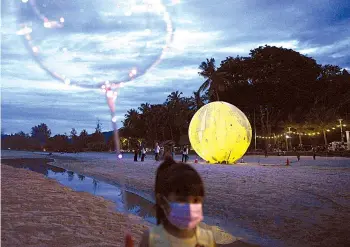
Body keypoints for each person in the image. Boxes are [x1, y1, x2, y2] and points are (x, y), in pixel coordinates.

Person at [139, 156, 216, 247]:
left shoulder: (207, 239)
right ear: (162, 201)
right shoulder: (151, 238)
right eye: (182, 200)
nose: (190, 207)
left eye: (196, 200)